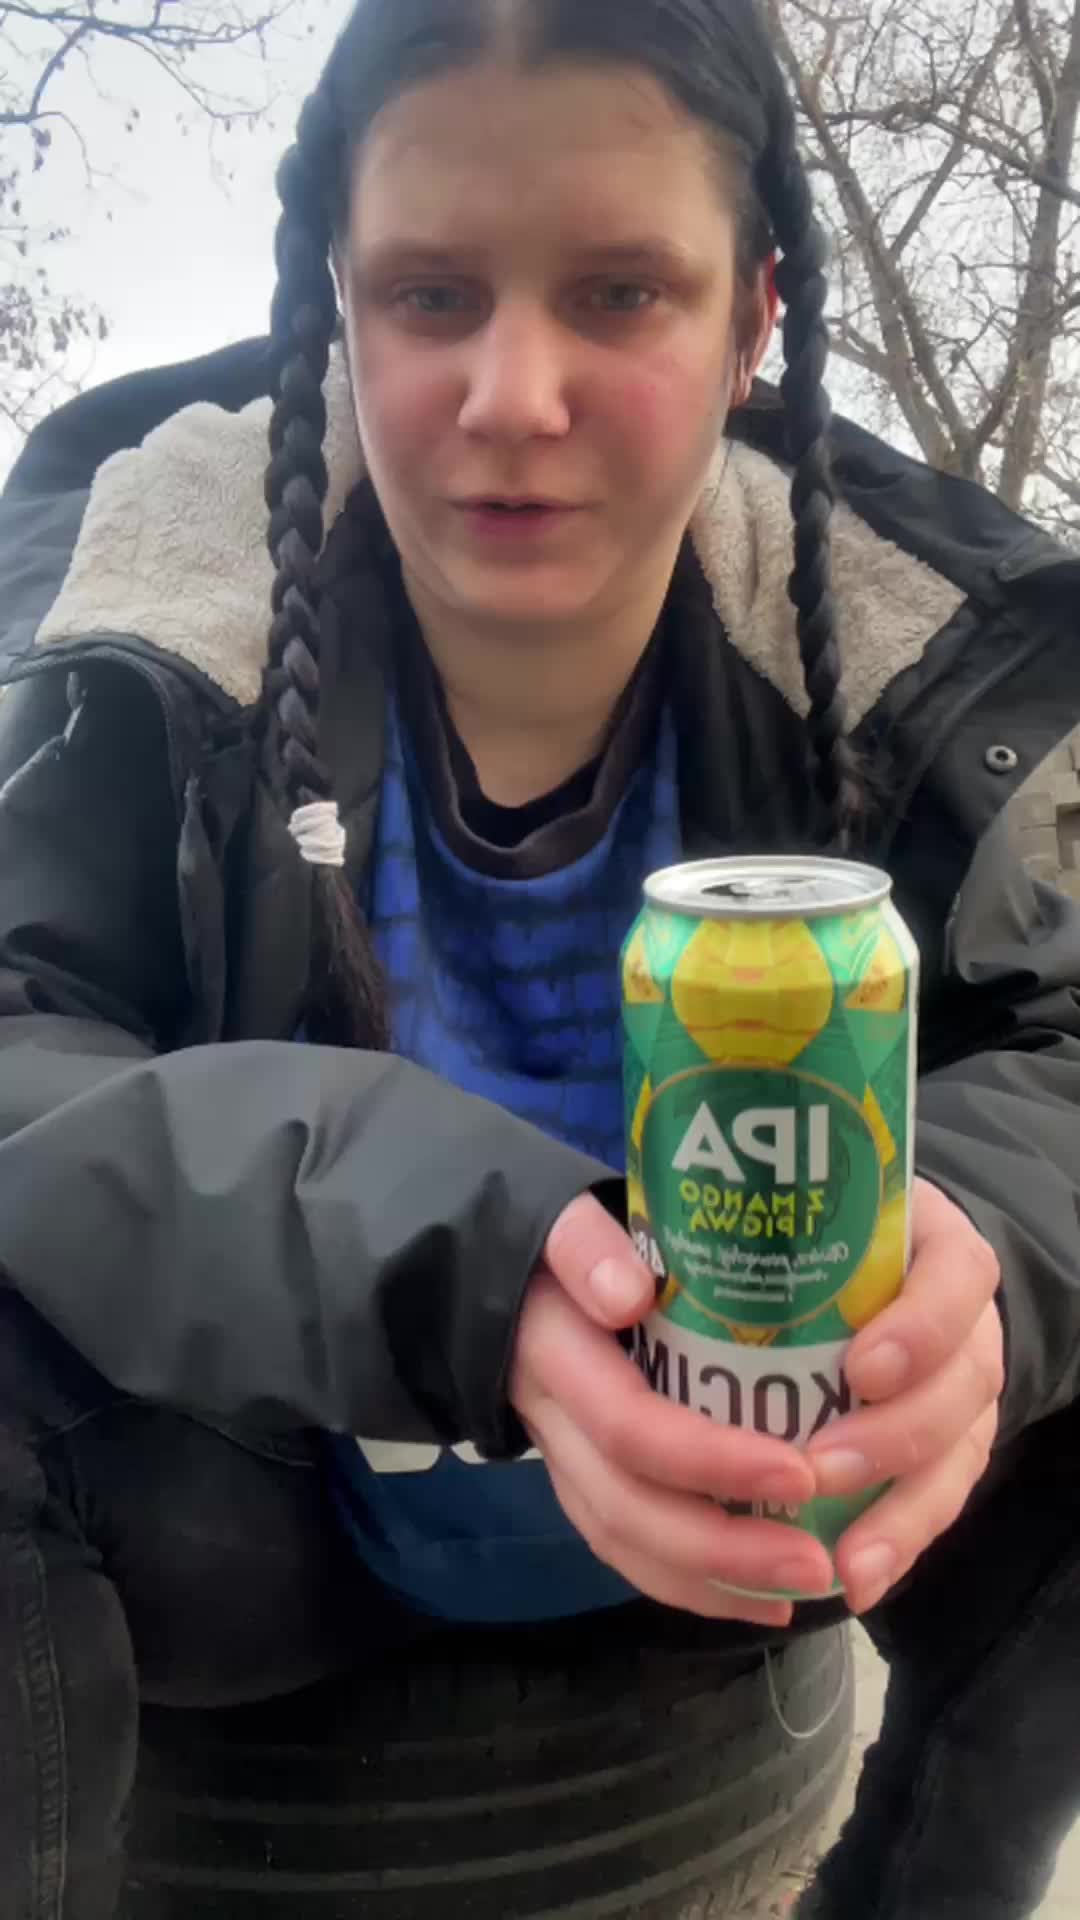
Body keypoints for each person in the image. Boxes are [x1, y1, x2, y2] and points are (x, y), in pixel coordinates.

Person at [1, 0, 1079, 1914]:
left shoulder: (931, 642)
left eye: (618, 293)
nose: (514, 394)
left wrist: (991, 1259)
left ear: (750, 323)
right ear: (336, 309)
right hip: (270, 1537)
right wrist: (471, 1266)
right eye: (430, 296)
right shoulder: (149, 611)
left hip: (760, 1524)